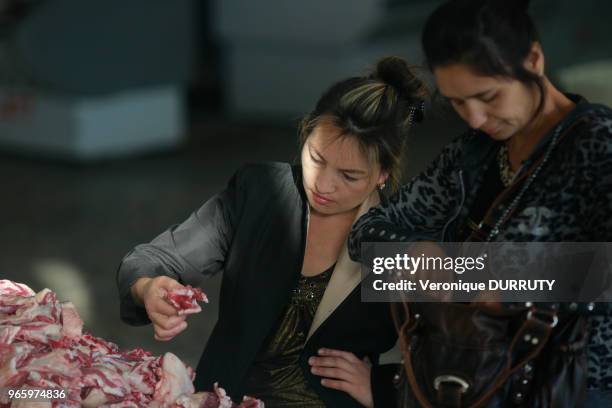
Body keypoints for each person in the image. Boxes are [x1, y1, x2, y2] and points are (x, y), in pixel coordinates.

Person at [116, 56, 428, 407]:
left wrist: (386, 386)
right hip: (226, 397)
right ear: (307, 131)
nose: (323, 184)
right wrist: (149, 288)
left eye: (349, 175)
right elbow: (152, 259)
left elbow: (493, 304)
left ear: (383, 174)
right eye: (316, 158)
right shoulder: (261, 192)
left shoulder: (400, 237)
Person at [348, 0, 612, 406]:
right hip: (474, 374)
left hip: (576, 385)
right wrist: (415, 253)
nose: (473, 118)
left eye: (487, 96)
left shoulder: (599, 146)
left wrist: (489, 277)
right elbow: (366, 234)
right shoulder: (473, 153)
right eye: (456, 102)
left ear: (534, 60)